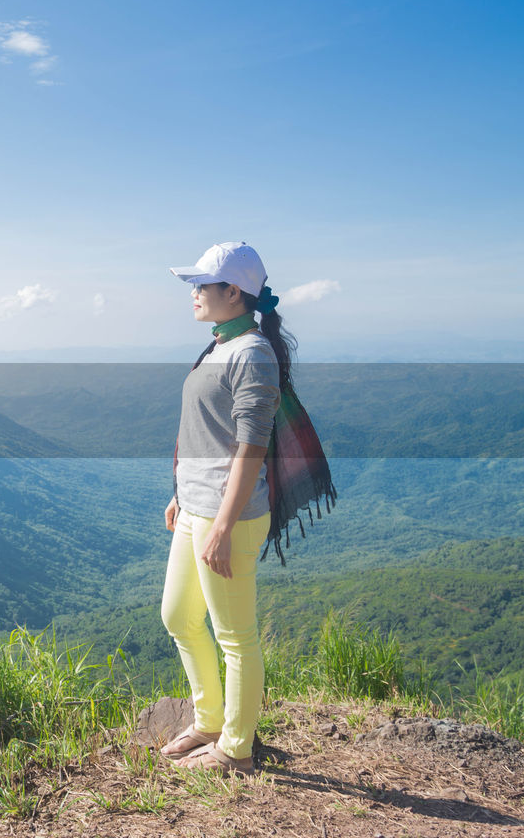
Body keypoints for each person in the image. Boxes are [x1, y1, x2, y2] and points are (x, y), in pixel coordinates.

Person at [158, 241, 293, 776]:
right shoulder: (220, 346)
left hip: (227, 517)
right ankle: (209, 719)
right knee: (178, 616)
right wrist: (182, 493)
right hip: (196, 506)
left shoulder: (252, 353)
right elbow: (207, 435)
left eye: (202, 285)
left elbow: (250, 448)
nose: (193, 293)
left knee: (235, 635)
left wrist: (223, 524)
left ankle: (236, 749)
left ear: (232, 292)